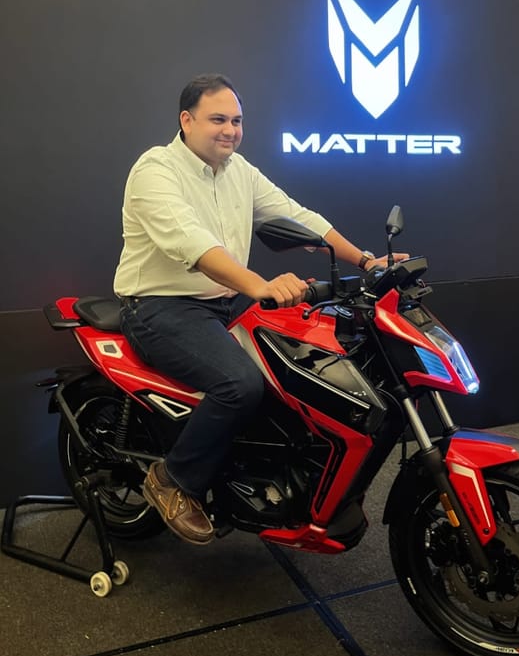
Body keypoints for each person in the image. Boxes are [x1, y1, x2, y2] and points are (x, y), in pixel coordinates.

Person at [114, 73, 407, 546]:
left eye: (237, 121)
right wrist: (261, 285)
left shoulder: (238, 171)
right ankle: (173, 480)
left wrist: (367, 260)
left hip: (224, 303)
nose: (230, 130)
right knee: (240, 384)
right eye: (218, 119)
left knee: (295, 372)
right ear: (186, 120)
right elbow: (192, 242)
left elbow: (298, 216)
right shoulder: (156, 170)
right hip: (159, 308)